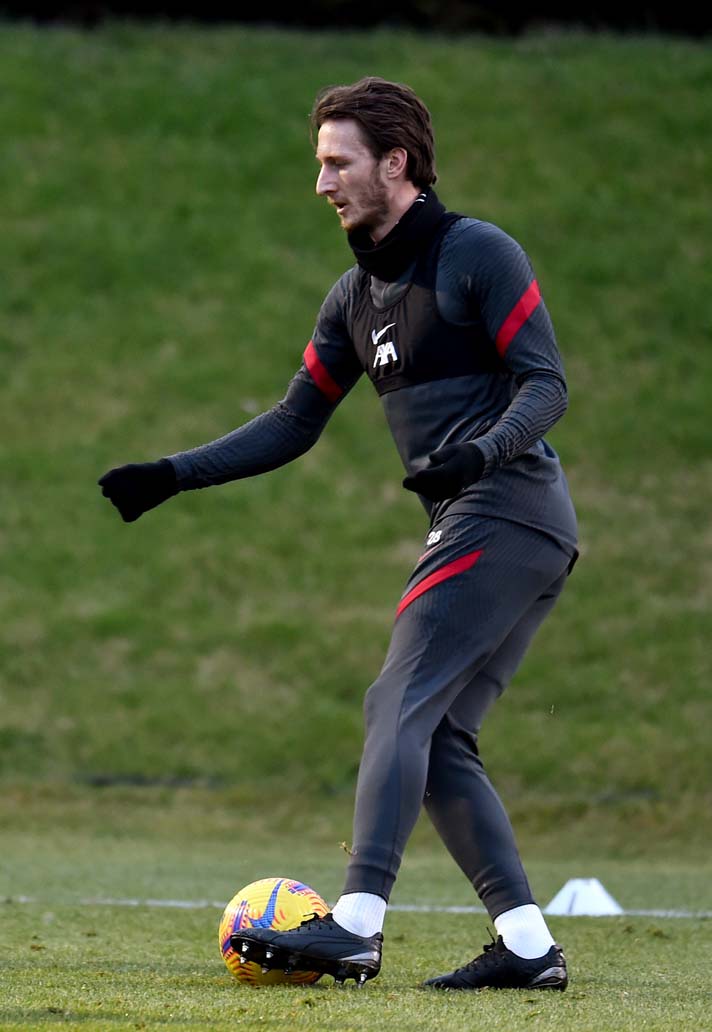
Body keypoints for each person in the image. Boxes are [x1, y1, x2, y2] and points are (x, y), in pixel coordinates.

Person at [99, 77, 578, 992]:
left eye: (337, 163)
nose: (322, 183)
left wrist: (478, 454)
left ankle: (356, 925)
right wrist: (171, 474)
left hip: (506, 506)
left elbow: (546, 384)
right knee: (437, 738)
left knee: (394, 702)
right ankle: (526, 947)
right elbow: (293, 422)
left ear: (395, 163)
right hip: (496, 520)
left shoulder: (478, 253)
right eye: (320, 164)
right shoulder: (354, 296)